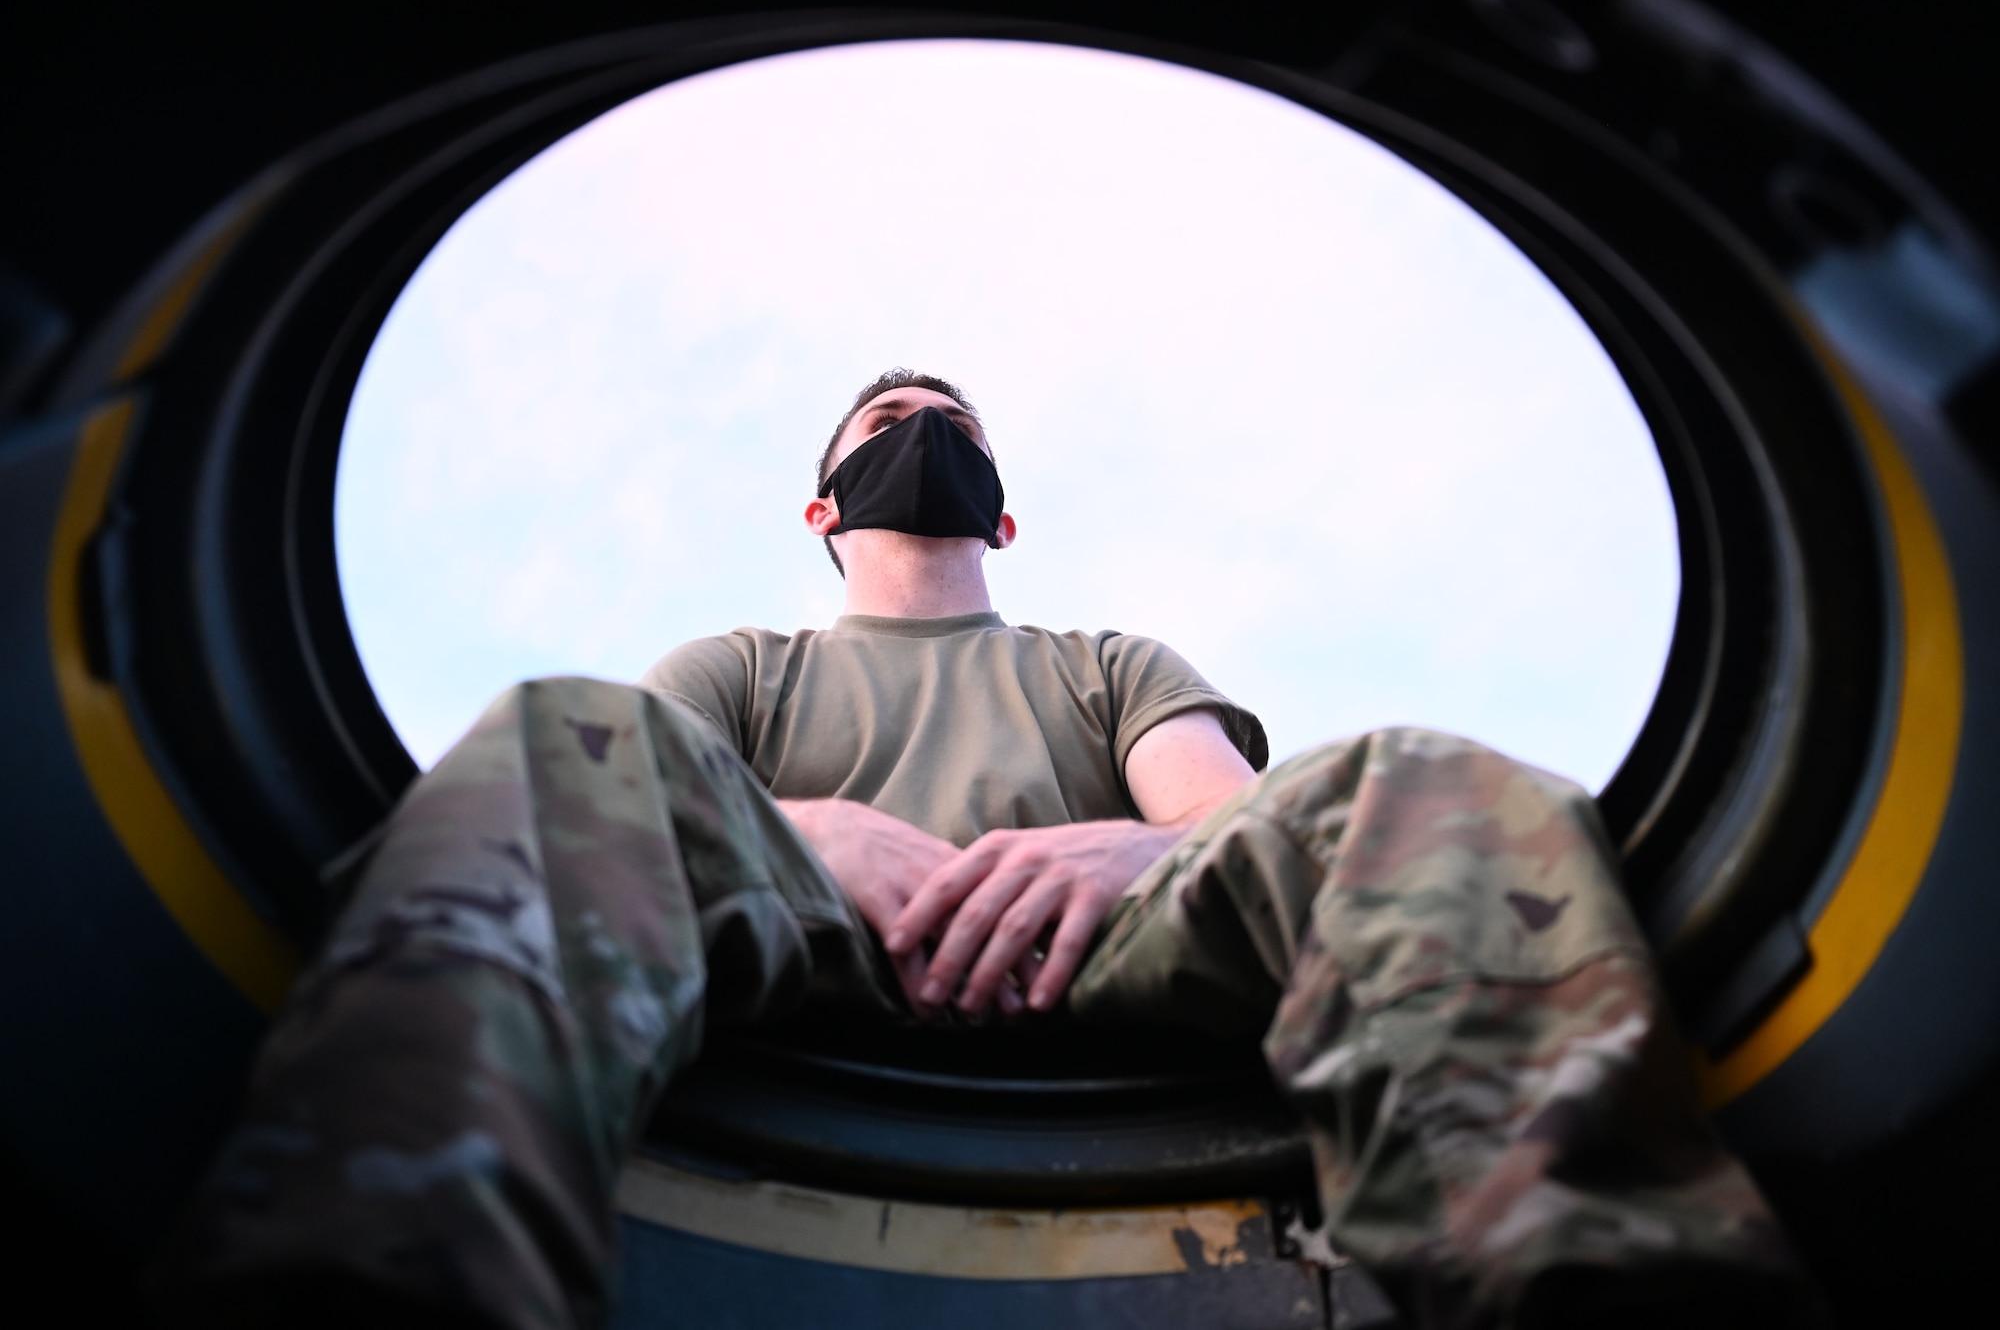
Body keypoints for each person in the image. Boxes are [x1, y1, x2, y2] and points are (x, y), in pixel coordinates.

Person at [157, 370, 1815, 1329]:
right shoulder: (751, 666)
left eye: (946, 418)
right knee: (557, 736)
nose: (918, 428)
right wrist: (814, 830)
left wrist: (1117, 854)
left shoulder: (1106, 661)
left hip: (1109, 947)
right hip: (805, 944)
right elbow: (655, 791)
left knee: (1424, 780)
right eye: (887, 418)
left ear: (1003, 515)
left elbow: (1217, 827)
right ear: (822, 507)